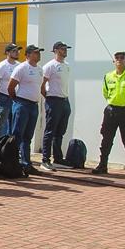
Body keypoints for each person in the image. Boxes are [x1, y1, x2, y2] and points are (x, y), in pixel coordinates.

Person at [93, 51, 125, 177]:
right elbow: (105, 93)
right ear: (113, 61)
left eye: (122, 58)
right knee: (106, 139)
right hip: (111, 111)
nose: (119, 60)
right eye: (117, 58)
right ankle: (103, 165)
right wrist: (114, 102)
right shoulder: (108, 76)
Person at [8, 45, 45, 174]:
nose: (38, 55)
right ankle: (12, 162)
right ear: (28, 55)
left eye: (39, 52)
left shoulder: (40, 70)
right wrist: (17, 101)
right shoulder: (22, 68)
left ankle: (26, 163)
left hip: (33, 105)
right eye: (36, 52)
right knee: (17, 134)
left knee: (28, 136)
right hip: (22, 104)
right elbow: (11, 87)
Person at [39, 42, 72, 171]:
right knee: (50, 130)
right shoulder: (50, 66)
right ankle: (45, 160)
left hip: (65, 101)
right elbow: (42, 84)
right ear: (56, 50)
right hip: (54, 100)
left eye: (65, 49)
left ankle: (58, 158)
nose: (65, 51)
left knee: (60, 131)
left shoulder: (67, 66)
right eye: (63, 49)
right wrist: (48, 97)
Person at [0, 43, 22, 130]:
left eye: (18, 50)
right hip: (4, 97)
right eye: (14, 51)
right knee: (2, 123)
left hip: (16, 97)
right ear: (7, 53)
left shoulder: (19, 65)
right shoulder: (2, 66)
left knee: (14, 122)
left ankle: (11, 143)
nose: (17, 52)